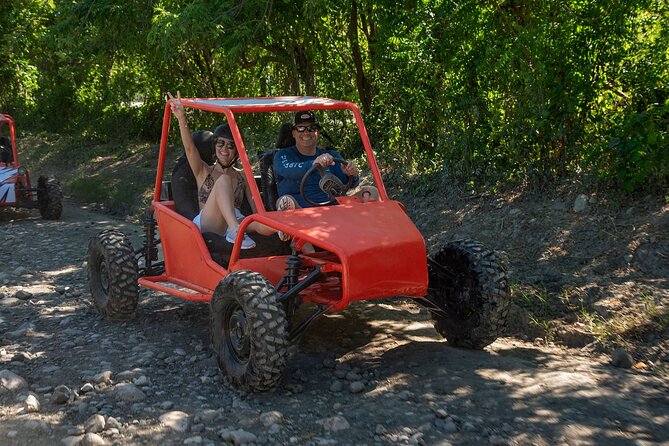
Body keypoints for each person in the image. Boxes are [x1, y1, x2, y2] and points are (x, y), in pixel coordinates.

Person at [168, 91, 261, 249]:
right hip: (209, 223)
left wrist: (268, 222)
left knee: (263, 224)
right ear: (214, 146)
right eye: (221, 143)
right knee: (223, 180)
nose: (225, 149)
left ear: (237, 151)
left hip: (236, 219)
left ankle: (291, 239)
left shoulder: (241, 176)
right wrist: (181, 118)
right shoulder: (204, 170)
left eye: (231, 145)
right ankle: (235, 231)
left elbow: (256, 209)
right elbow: (190, 149)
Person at [273, 110, 378, 244]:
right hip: (301, 209)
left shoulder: (331, 154)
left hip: (333, 207)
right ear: (293, 133)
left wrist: (351, 173)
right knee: (285, 201)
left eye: (312, 128)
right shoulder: (283, 156)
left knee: (371, 190)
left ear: (318, 132)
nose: (306, 132)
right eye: (301, 128)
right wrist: (314, 163)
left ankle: (370, 238)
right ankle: (305, 251)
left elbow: (349, 184)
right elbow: (287, 170)